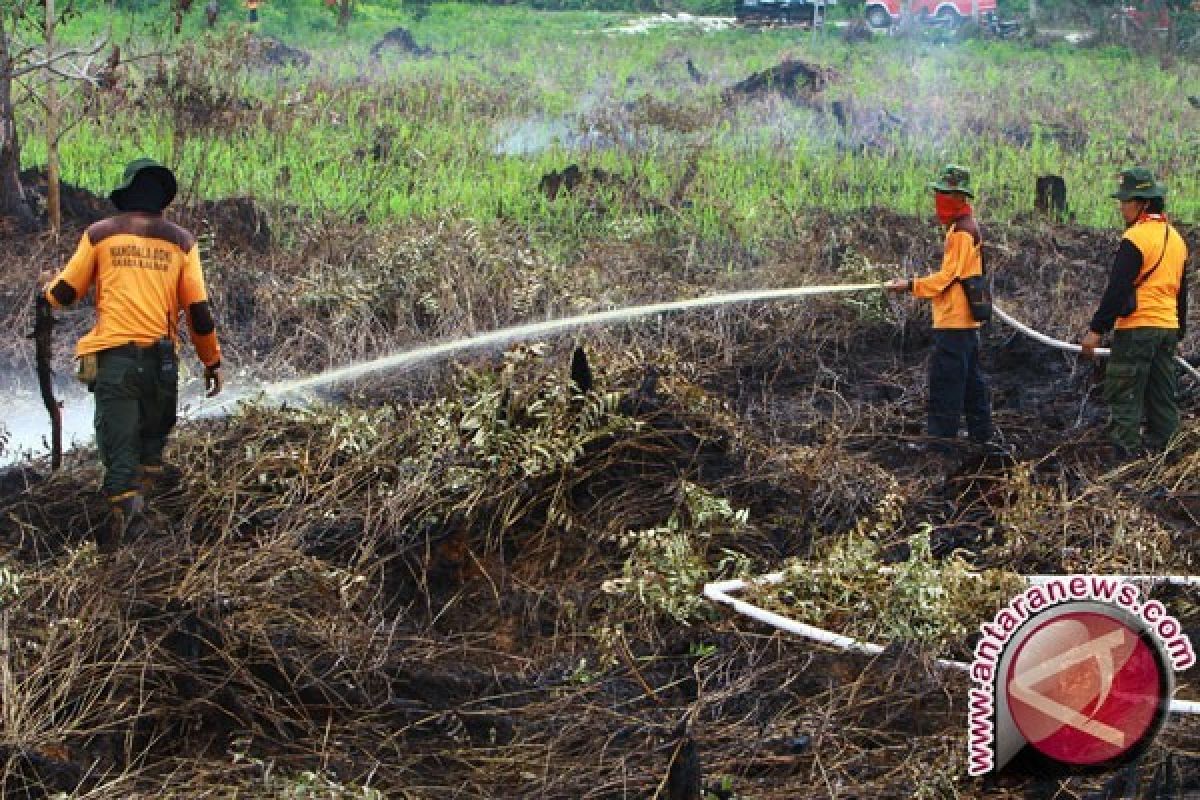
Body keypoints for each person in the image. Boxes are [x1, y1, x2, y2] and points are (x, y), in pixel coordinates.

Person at [41, 158, 223, 553]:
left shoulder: (100, 235)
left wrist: (47, 292)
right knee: (149, 457)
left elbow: (64, 295)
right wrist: (212, 362)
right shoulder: (182, 242)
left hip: (117, 364)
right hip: (162, 366)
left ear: (126, 196)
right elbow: (199, 313)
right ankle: (151, 542)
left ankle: (129, 560)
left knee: (120, 466)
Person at [1081, 167, 1188, 461]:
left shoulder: (1136, 238)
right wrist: (1176, 333)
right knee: (1162, 398)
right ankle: (1169, 459)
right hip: (1166, 329)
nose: (1121, 207)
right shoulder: (1177, 239)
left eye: (1126, 201)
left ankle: (1125, 466)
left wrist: (1096, 330)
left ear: (1143, 204)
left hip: (1137, 328)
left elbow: (1117, 290)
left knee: (1124, 394)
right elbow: (1182, 293)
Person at [886, 164, 992, 448]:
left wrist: (910, 285)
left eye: (945, 194)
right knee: (971, 382)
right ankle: (981, 436)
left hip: (954, 320)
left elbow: (947, 278)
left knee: (946, 382)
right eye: (939, 194)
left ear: (960, 198)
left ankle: (939, 441)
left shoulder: (961, 232)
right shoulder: (965, 227)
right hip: (965, 321)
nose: (939, 201)